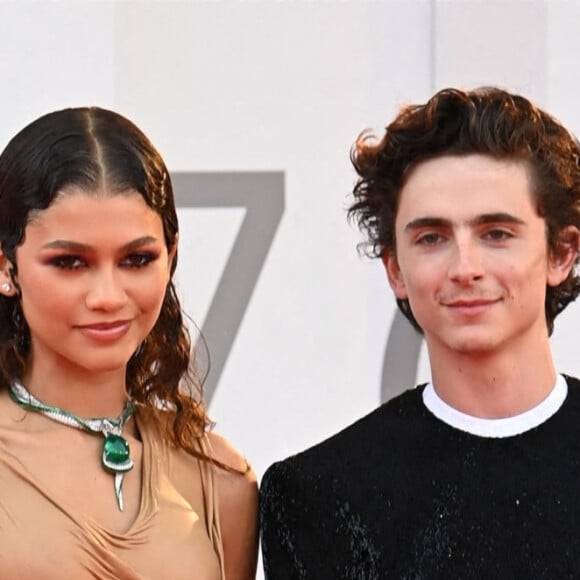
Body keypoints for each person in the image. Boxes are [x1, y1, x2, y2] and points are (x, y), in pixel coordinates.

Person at [260, 86, 580, 578]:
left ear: (562, 253)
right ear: (395, 270)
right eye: (432, 238)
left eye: (496, 233)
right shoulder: (322, 494)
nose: (465, 267)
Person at [0, 107, 258, 579]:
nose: (107, 297)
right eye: (70, 263)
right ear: (5, 266)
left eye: (137, 259)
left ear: (171, 257)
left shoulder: (221, 480)